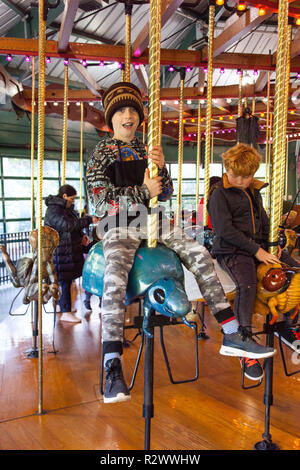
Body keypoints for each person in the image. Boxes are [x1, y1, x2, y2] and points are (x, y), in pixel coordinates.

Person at [86, 82, 275, 404]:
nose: (128, 116)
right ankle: (112, 362)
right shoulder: (101, 153)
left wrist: (162, 170)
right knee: (115, 276)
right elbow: (99, 202)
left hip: (153, 219)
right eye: (121, 111)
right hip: (118, 224)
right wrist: (144, 189)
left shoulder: (147, 148)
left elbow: (166, 191)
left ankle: (231, 333)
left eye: (133, 110)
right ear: (111, 118)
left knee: (200, 254)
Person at [207, 143, 300, 381]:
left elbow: (264, 219)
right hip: (232, 250)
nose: (239, 180)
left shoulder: (253, 191)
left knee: (295, 272)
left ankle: (289, 325)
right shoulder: (219, 194)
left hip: (257, 247)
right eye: (235, 175)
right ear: (227, 169)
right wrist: (257, 252)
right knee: (246, 283)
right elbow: (224, 229)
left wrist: (273, 243)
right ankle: (243, 340)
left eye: (246, 176)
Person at [44, 184, 98, 323]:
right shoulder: (54, 210)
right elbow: (67, 226)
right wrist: (88, 220)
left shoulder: (65, 209)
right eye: (71, 199)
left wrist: (82, 235)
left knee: (65, 280)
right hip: (61, 250)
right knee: (64, 280)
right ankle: (65, 311)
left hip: (70, 247)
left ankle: (62, 306)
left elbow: (73, 225)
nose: (73, 202)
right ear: (64, 197)